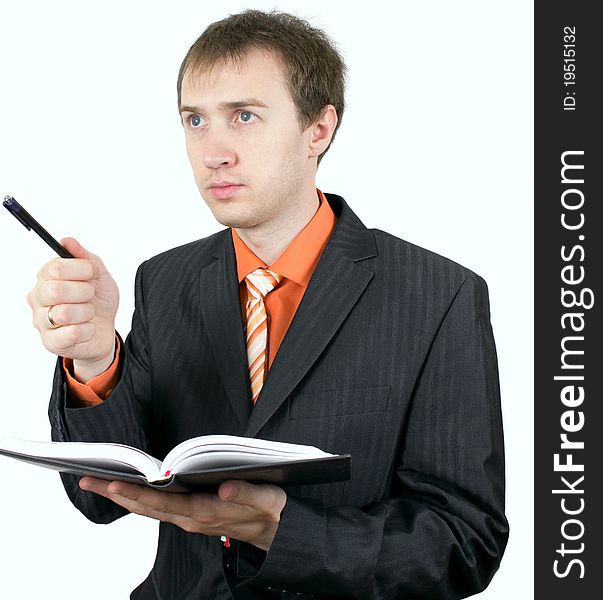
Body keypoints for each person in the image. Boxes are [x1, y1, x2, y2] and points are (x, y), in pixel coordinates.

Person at [28, 10, 508, 600]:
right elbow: (99, 503)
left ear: (319, 129)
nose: (214, 152)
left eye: (245, 116)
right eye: (195, 120)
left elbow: (465, 543)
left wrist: (284, 531)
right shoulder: (165, 279)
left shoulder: (440, 296)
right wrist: (96, 357)